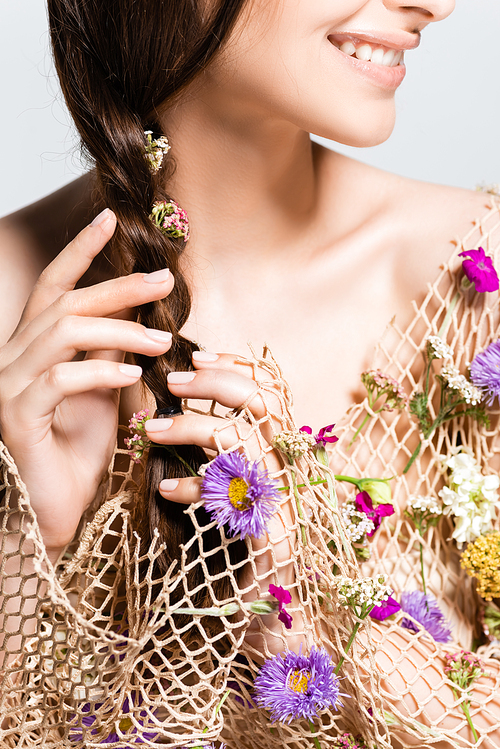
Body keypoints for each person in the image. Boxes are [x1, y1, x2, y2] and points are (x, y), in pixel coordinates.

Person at [1, 0, 500, 746]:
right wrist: (29, 534)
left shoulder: (473, 293)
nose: (435, 2)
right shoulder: (13, 317)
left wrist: (313, 624)